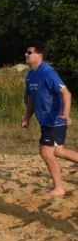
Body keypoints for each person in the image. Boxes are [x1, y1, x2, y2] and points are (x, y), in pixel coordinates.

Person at [22, 42, 78, 197]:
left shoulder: (48, 72)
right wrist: (27, 118)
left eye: (29, 52)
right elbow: (32, 99)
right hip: (45, 121)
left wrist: (66, 114)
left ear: (39, 55)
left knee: (46, 152)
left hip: (55, 120)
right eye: (26, 52)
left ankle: (59, 188)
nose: (26, 54)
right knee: (58, 151)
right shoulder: (31, 75)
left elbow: (66, 94)